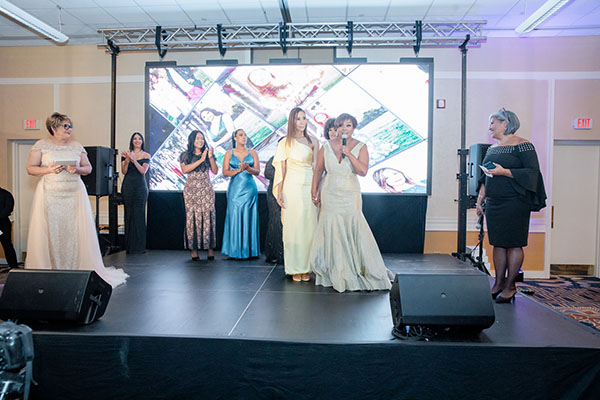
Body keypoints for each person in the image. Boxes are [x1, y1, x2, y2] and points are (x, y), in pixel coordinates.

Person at [25, 112, 128, 288]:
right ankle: (52, 270)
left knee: (74, 231)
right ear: (53, 128)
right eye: (65, 126)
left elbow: (88, 168)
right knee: (52, 231)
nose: (69, 130)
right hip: (50, 194)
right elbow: (30, 168)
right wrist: (48, 170)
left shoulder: (76, 146)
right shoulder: (41, 145)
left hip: (74, 194)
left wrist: (77, 169)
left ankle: (75, 269)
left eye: (70, 126)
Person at [309, 113, 393, 293]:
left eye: (348, 125)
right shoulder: (326, 146)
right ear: (336, 128)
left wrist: (348, 154)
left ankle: (356, 268)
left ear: (353, 128)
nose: (343, 129)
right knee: (332, 228)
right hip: (330, 192)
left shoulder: (361, 146)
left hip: (350, 193)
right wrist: (314, 190)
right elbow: (318, 170)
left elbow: (363, 171)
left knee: (352, 226)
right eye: (340, 125)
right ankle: (336, 269)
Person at [476, 108, 546, 303]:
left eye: (492, 123)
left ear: (505, 123)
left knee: (514, 243)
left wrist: (505, 171)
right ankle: (498, 283)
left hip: (516, 202)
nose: (490, 127)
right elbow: (485, 176)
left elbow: (533, 173)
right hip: (494, 203)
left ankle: (510, 286)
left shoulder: (524, 146)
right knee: (498, 243)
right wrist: (480, 199)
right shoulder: (492, 149)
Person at [273, 107, 318, 282]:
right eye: (298, 118)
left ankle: (307, 267)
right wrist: (280, 192)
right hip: (291, 186)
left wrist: (316, 188)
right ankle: (294, 268)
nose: (302, 122)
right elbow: (282, 169)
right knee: (293, 227)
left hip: (309, 186)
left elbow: (316, 167)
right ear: (292, 121)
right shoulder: (285, 142)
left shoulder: (313, 141)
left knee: (309, 226)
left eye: (304, 118)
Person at [221, 129, 260, 259]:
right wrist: (238, 170)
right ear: (235, 138)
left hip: (249, 189)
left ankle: (249, 250)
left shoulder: (252, 152)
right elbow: (225, 172)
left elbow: (257, 172)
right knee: (235, 216)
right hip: (235, 189)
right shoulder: (229, 153)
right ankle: (235, 250)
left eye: (245, 135)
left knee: (249, 215)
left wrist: (248, 168)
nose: (244, 137)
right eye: (241, 135)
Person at [180, 130, 219, 261]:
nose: (200, 141)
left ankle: (210, 248)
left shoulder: (208, 154)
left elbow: (215, 171)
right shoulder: (185, 155)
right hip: (191, 190)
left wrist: (210, 157)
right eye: (197, 138)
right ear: (192, 140)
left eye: (202, 138)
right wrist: (201, 160)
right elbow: (184, 170)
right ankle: (194, 250)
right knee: (192, 218)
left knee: (208, 216)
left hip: (206, 188)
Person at [121, 132, 150, 254]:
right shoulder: (126, 154)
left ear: (142, 141)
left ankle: (140, 246)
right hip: (128, 185)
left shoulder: (146, 155)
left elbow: (143, 171)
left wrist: (134, 160)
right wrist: (127, 160)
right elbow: (124, 171)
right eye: (135, 139)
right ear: (132, 141)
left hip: (140, 187)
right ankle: (129, 246)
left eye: (139, 139)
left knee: (139, 214)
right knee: (128, 214)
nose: (137, 141)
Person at [263, 155, 284, 264]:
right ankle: (275, 252)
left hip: (290, 192)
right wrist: (283, 175)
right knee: (275, 221)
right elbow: (267, 173)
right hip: (274, 192)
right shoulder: (274, 158)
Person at [0, 186, 18, 269]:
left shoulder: (6, 194)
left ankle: (13, 266)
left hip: (3, 224)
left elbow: (9, 208)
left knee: (7, 245)